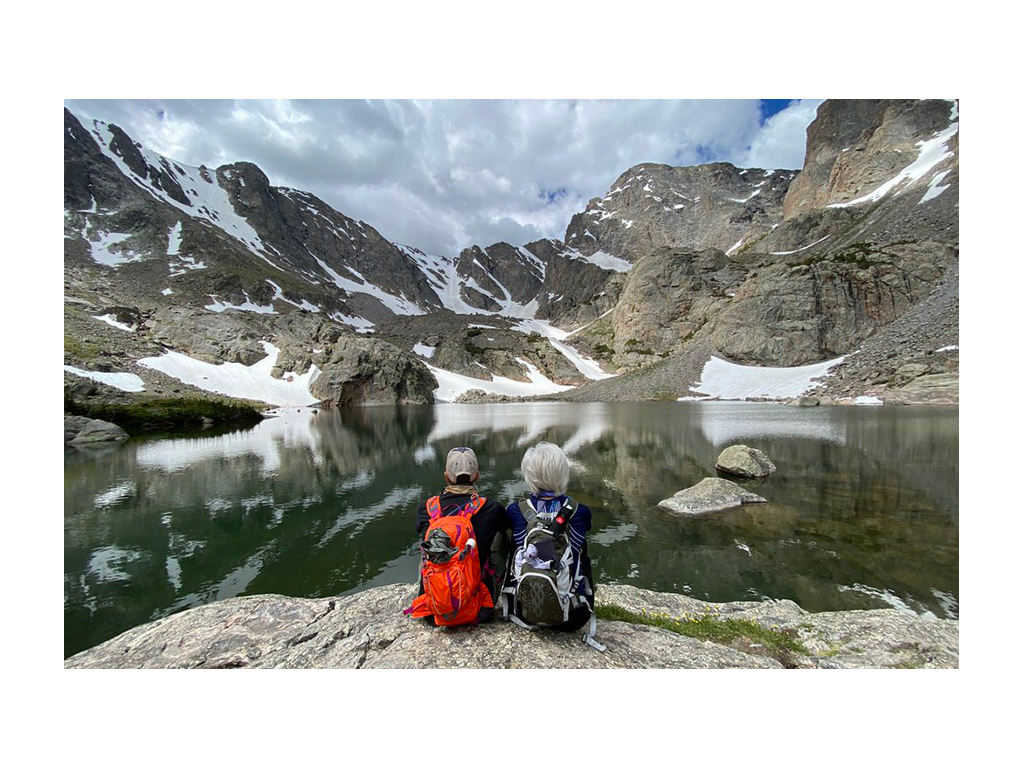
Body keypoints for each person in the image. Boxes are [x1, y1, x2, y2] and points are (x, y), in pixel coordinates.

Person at [407, 446, 507, 624]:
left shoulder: (426, 508)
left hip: (433, 610)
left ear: (446, 477)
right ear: (476, 476)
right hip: (478, 610)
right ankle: (491, 590)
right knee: (502, 535)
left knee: (428, 543)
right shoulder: (491, 508)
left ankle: (430, 592)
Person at [503, 441, 595, 633]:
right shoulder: (580, 512)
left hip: (523, 611)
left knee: (516, 545)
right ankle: (577, 594)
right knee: (581, 550)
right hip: (573, 616)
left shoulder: (515, 511)